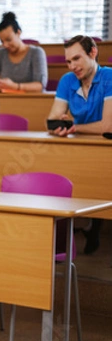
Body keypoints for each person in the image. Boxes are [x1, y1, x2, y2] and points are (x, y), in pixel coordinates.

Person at [46, 35, 112, 255]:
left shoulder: (109, 77)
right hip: (81, 146)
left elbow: (108, 126)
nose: (72, 66)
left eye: (77, 59)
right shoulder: (67, 80)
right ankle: (81, 228)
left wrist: (73, 125)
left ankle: (93, 225)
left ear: (93, 52)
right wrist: (58, 126)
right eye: (68, 61)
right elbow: (52, 119)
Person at [0, 12, 47, 93]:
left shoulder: (36, 53)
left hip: (31, 101)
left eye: (9, 40)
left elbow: (40, 86)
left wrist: (15, 86)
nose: (5, 45)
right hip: (5, 100)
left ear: (18, 33)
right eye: (2, 41)